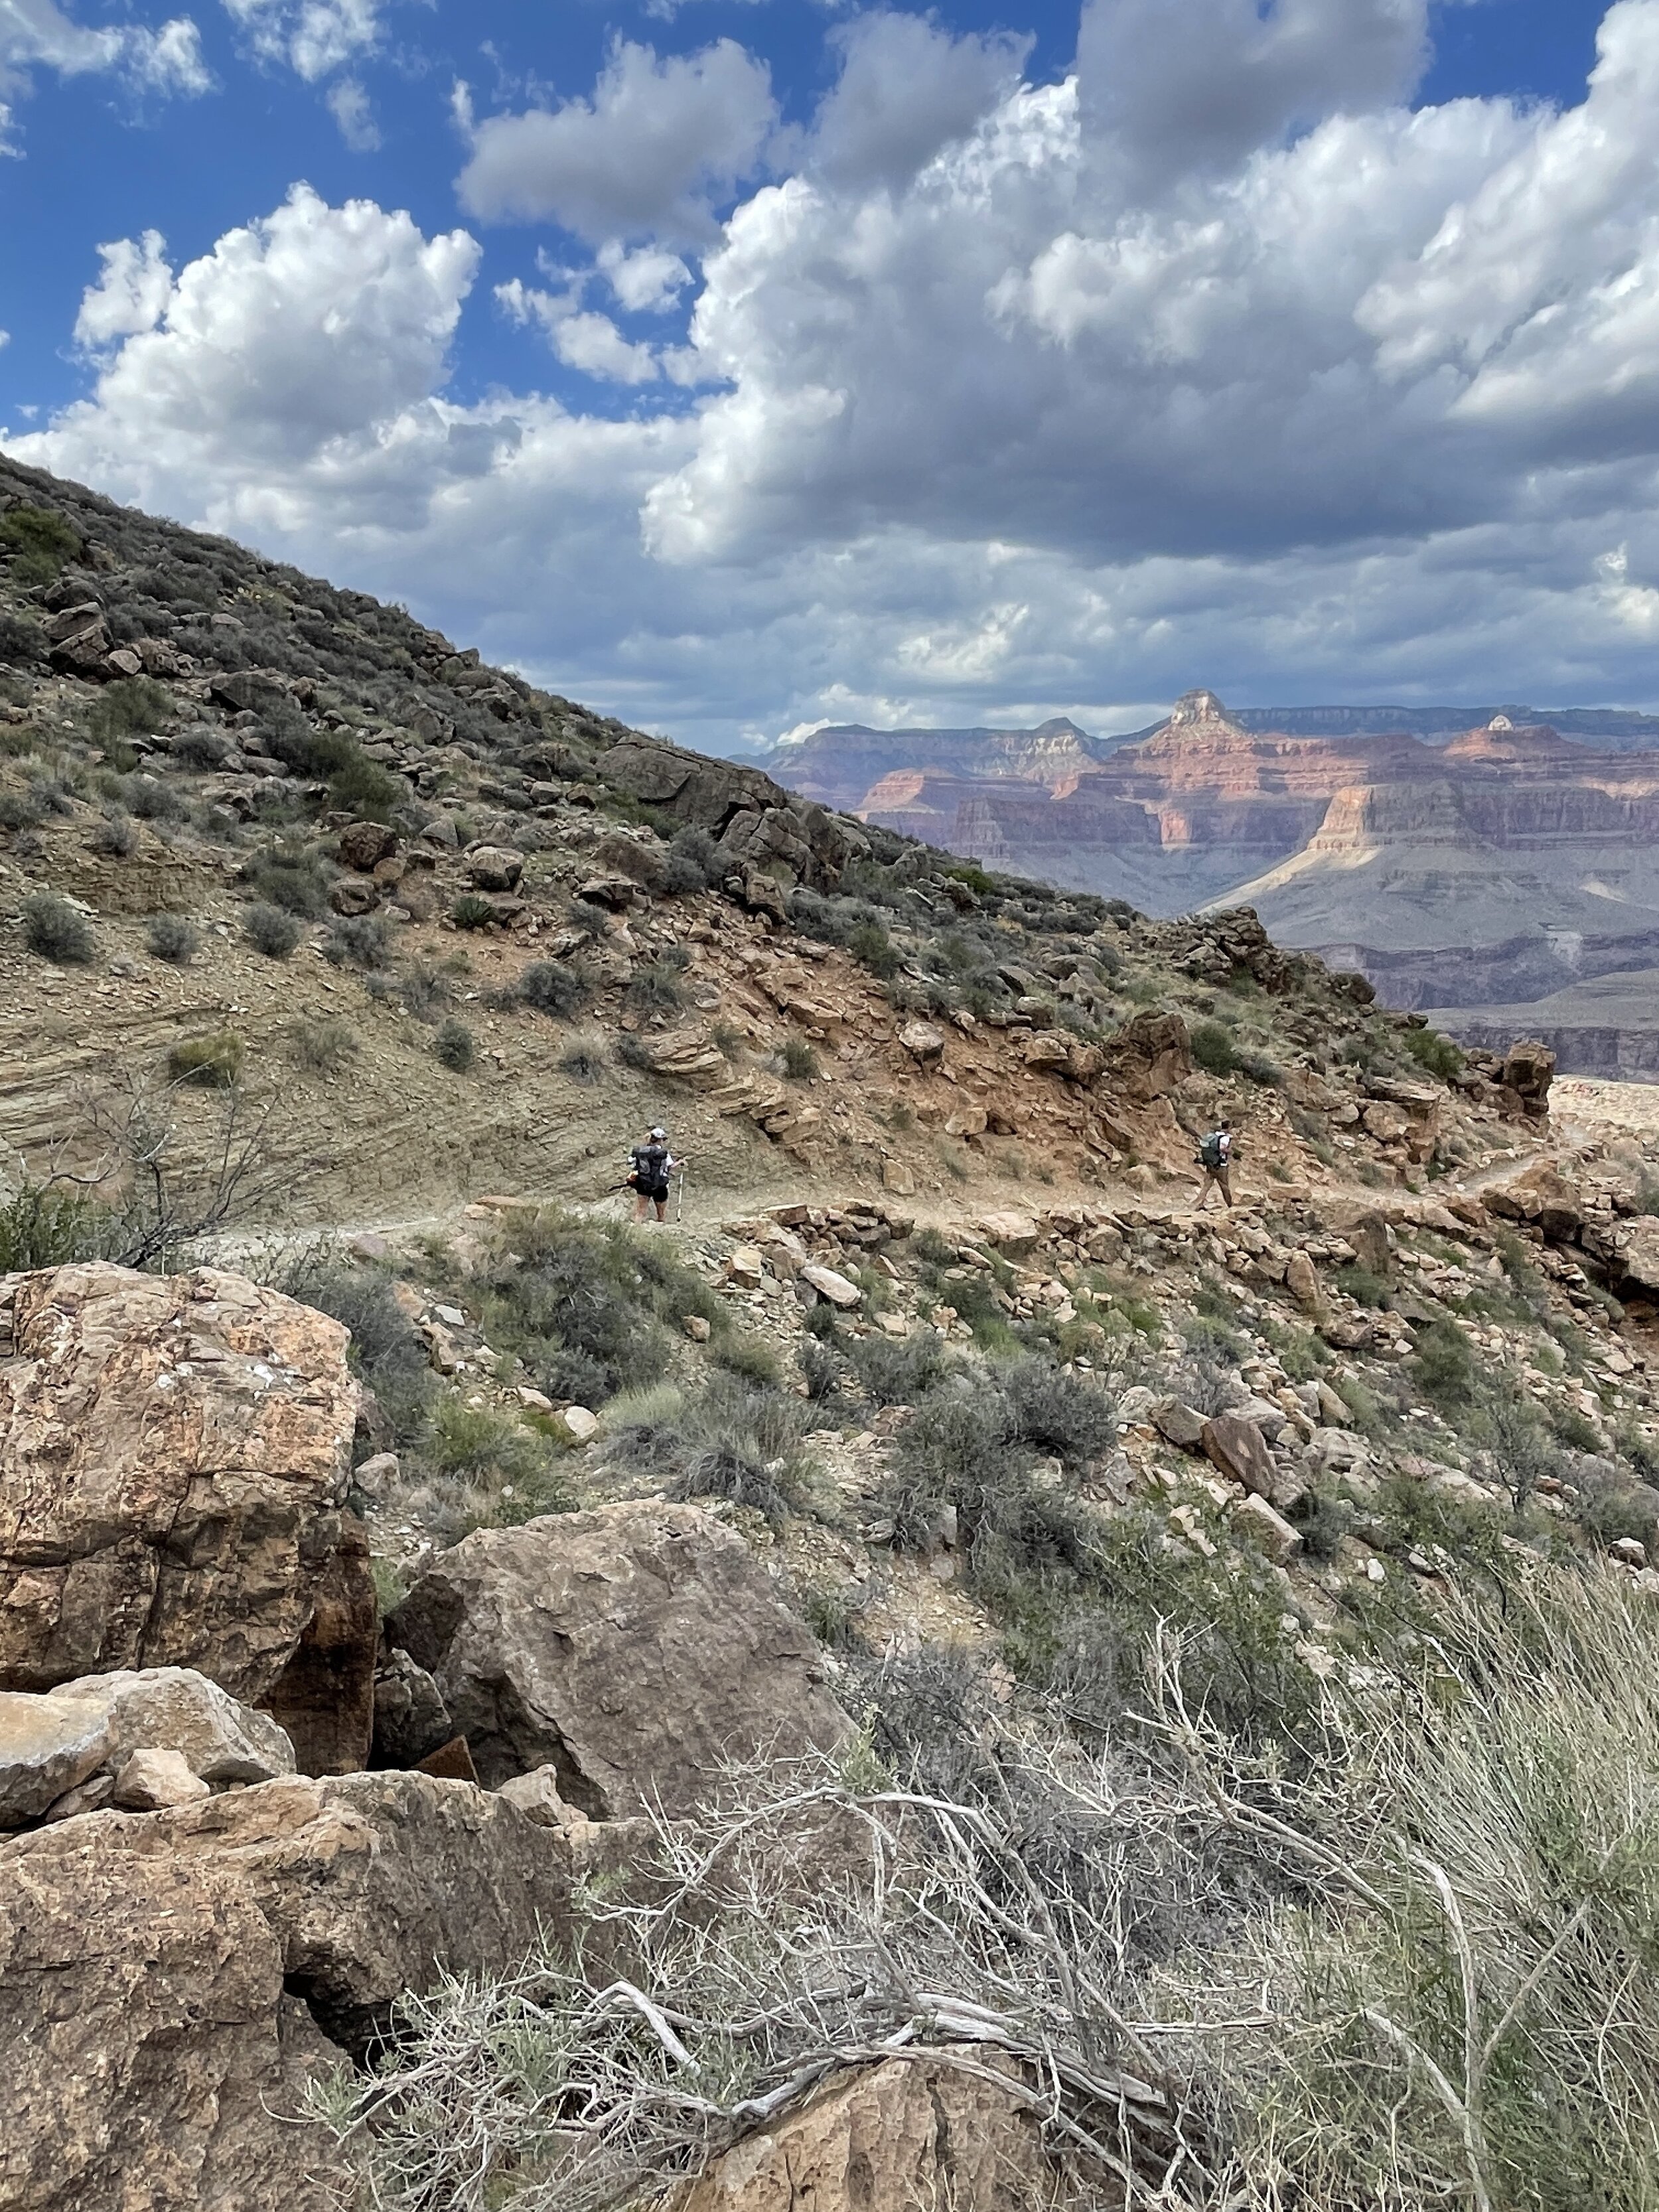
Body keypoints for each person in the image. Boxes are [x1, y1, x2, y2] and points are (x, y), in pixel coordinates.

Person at [628, 1125, 679, 1223]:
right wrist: (680, 1162)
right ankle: (660, 1234)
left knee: (640, 1212)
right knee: (661, 1215)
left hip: (643, 1183)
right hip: (659, 1184)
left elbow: (631, 1162)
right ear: (660, 1140)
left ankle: (635, 1233)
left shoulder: (641, 1151)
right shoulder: (663, 1153)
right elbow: (670, 1166)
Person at [1194, 1116, 1234, 1211]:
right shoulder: (1225, 1138)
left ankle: (1198, 1203)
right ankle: (1230, 1206)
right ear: (1229, 1128)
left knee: (1207, 1185)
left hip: (1210, 1164)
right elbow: (1222, 1148)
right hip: (1220, 1165)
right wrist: (1230, 1152)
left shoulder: (1214, 1135)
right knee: (1224, 1185)